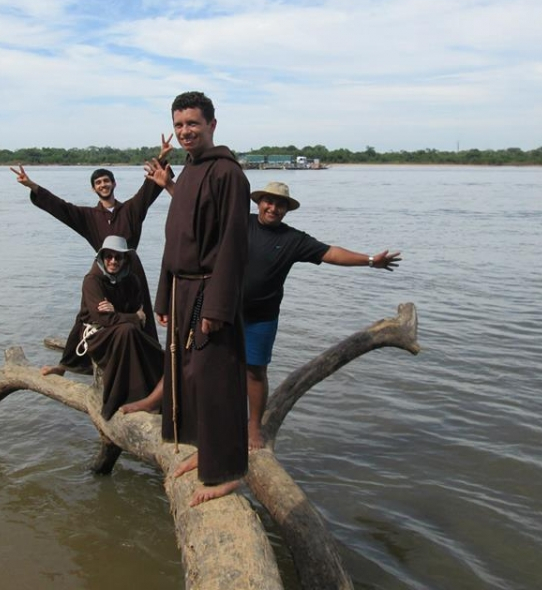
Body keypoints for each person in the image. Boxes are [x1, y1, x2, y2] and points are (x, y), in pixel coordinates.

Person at [242, 181, 402, 448]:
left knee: (256, 372)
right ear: (259, 203)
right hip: (224, 313)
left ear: (286, 210)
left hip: (262, 317)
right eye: (269, 201)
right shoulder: (239, 223)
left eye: (280, 204)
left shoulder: (292, 239)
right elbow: (201, 213)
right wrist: (170, 187)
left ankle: (254, 426)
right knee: (215, 366)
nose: (273, 208)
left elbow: (331, 253)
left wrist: (370, 261)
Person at [153, 91, 250, 506]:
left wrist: (216, 307)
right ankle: (204, 451)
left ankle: (228, 471)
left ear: (212, 124)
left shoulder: (229, 174)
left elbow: (233, 245)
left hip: (210, 291)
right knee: (188, 376)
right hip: (181, 290)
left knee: (216, 381)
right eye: (179, 125)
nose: (185, 131)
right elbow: (175, 238)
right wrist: (163, 296)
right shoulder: (190, 170)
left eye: (192, 123)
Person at [10, 140, 172, 371]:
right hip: (102, 268)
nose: (103, 185)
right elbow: (61, 207)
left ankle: (149, 363)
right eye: (98, 183)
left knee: (140, 312)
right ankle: (67, 365)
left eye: (106, 180)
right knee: (87, 314)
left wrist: (161, 157)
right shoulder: (88, 216)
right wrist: (32, 185)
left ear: (114, 183)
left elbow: (148, 190)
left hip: (131, 269)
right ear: (93, 189)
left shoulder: (131, 209)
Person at [41, 236, 164, 419]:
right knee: (127, 331)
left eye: (118, 257)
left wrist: (119, 313)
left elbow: (139, 317)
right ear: (102, 257)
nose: (113, 261)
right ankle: (132, 397)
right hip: (96, 335)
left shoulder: (132, 281)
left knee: (147, 345)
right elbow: (105, 318)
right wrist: (132, 316)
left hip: (119, 332)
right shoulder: (92, 281)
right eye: (109, 256)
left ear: (125, 259)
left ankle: (152, 394)